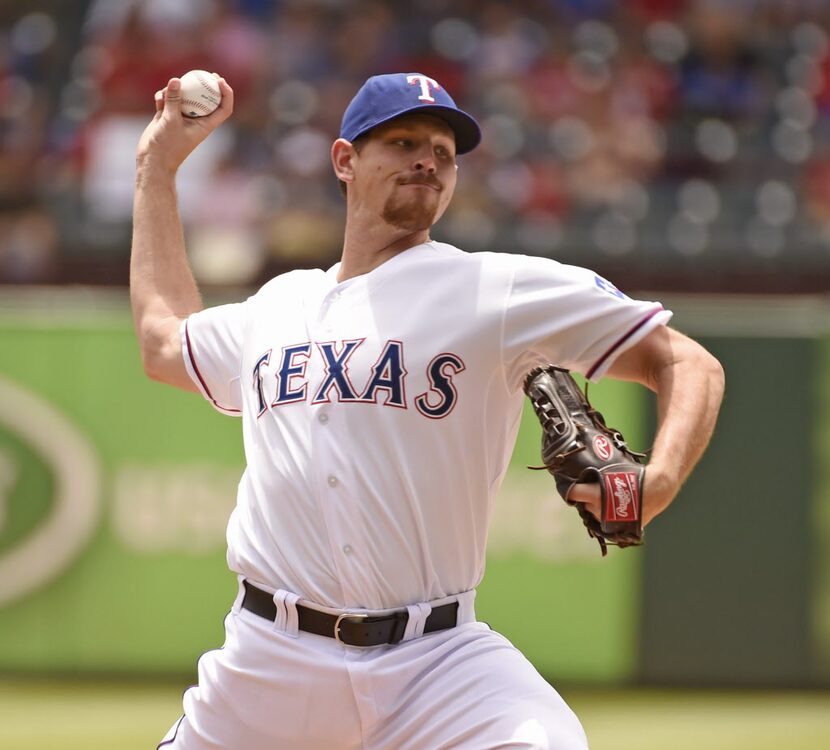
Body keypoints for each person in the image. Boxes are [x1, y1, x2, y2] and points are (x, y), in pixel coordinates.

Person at [132, 72, 724, 750]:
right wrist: (158, 166)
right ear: (344, 161)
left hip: (437, 663)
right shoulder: (277, 306)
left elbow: (687, 362)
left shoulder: (493, 289)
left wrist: (664, 479)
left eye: (443, 151)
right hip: (270, 663)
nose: (428, 161)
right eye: (404, 140)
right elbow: (161, 341)